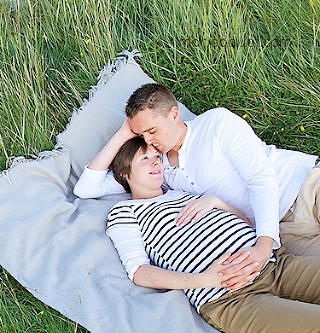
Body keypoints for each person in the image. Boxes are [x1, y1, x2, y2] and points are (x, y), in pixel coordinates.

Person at [74, 83, 320, 290]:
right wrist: (124, 133)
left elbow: (261, 180)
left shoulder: (216, 124)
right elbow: (87, 189)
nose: (148, 140)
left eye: (151, 130)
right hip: (281, 229)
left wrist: (264, 245)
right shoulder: (159, 170)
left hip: (303, 188)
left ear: (173, 114)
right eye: (141, 135)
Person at [106, 136, 320, 333]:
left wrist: (217, 202)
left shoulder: (184, 192)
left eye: (156, 157)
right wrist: (204, 279)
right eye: (144, 158)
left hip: (275, 266)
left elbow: (246, 222)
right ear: (125, 173)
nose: (155, 162)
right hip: (232, 299)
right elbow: (139, 272)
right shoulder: (126, 212)